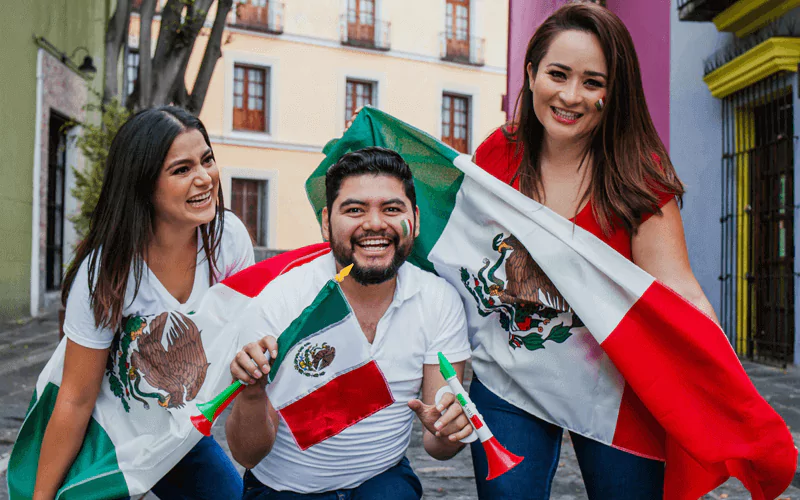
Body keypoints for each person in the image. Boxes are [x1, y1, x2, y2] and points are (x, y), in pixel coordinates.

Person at [469, 3, 718, 500]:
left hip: (615, 384)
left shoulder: (636, 171)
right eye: (557, 74)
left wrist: (718, 375)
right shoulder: (497, 152)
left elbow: (677, 286)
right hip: (511, 378)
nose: (570, 96)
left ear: (612, 91)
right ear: (531, 73)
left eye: (593, 82)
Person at [225, 147, 472, 499]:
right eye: (354, 210)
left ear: (414, 219)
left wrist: (450, 430)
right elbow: (246, 454)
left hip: (382, 480)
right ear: (326, 221)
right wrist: (252, 392)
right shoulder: (280, 301)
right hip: (285, 490)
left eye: (392, 209)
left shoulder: (438, 299)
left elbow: (439, 445)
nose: (374, 223)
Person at [33, 106, 254, 500]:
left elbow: (243, 330)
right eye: (181, 170)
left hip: (170, 429)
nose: (205, 178)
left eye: (207, 160)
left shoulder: (228, 239)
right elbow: (76, 399)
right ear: (143, 185)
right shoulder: (106, 270)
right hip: (104, 433)